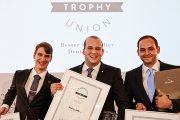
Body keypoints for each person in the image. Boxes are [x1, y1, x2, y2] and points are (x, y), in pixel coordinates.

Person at [0, 42, 63, 120]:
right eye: (40, 54)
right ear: (34, 55)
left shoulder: (56, 82)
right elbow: (12, 93)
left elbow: (58, 107)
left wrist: (54, 95)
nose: (43, 59)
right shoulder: (19, 74)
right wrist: (5, 106)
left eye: (47, 56)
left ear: (51, 59)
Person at [125, 35, 180, 113]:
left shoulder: (175, 71)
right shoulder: (131, 76)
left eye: (150, 49)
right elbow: (126, 103)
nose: (147, 53)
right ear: (138, 52)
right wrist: (136, 105)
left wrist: (170, 104)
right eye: (143, 50)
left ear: (158, 49)